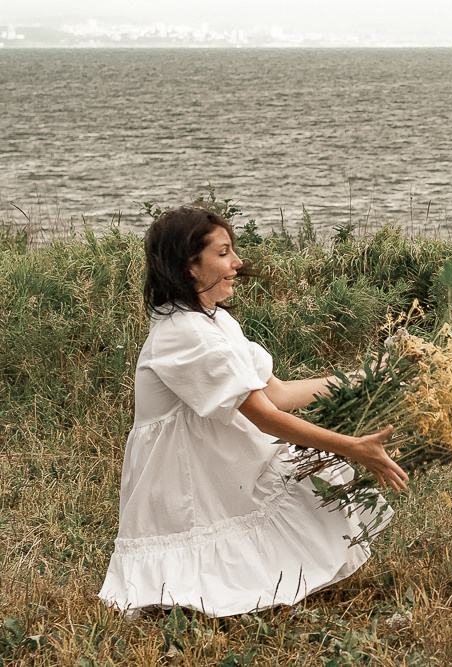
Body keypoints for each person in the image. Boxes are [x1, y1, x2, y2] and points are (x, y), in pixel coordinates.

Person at [99, 206, 408, 619]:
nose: (238, 263)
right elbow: (265, 416)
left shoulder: (213, 320)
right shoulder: (185, 334)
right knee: (195, 579)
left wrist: (370, 376)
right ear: (190, 266)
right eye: (223, 253)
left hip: (214, 455)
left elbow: (277, 393)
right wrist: (351, 446)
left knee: (302, 484)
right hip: (181, 472)